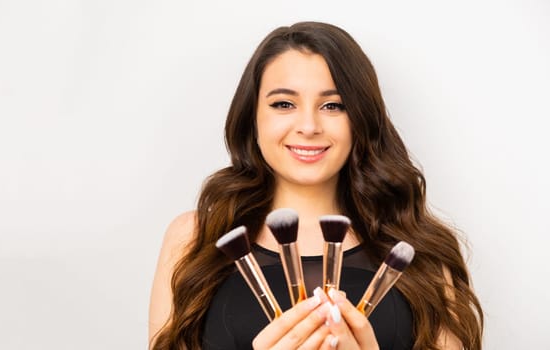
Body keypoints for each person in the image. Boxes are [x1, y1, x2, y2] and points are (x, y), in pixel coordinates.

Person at [148, 21, 483, 350]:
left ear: (361, 120)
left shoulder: (421, 253)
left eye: (333, 105)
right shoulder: (195, 238)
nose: (308, 126)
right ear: (252, 117)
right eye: (284, 104)